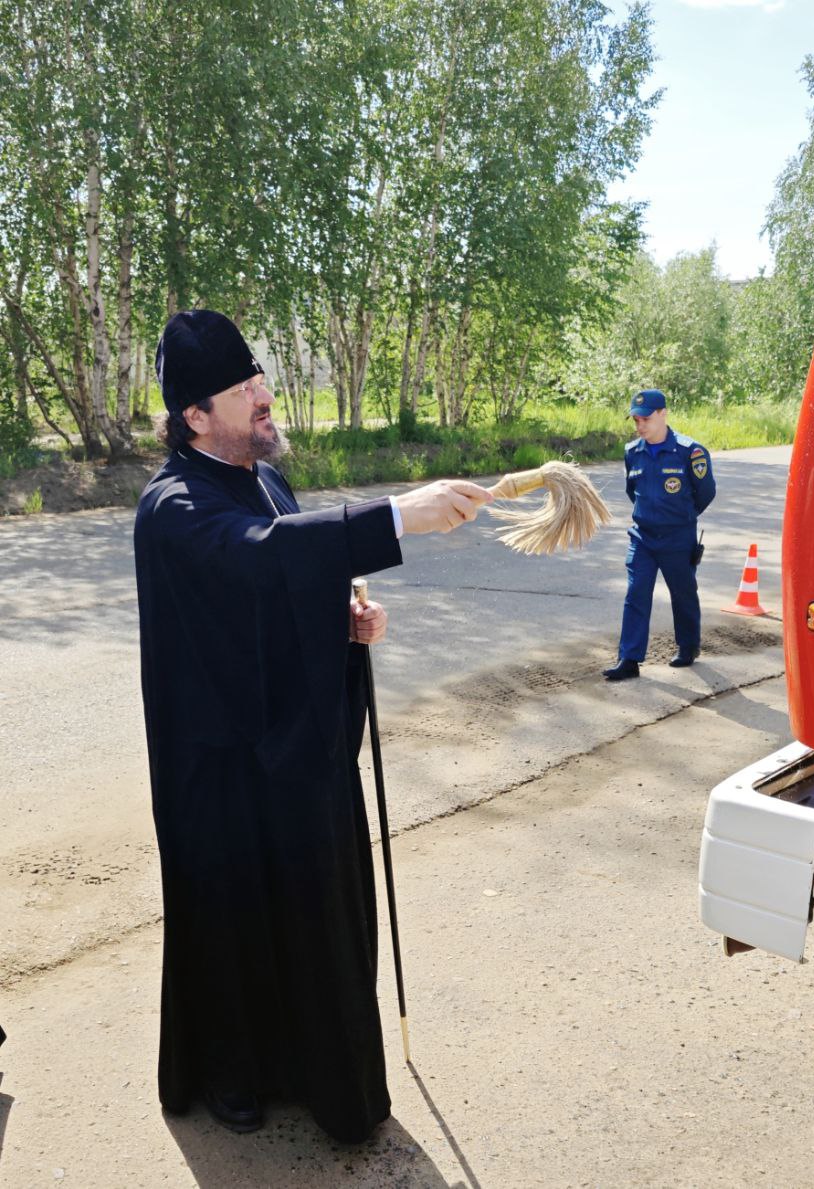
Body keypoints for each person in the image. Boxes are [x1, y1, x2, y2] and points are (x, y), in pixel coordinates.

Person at [134, 309, 492, 1143]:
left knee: (307, 911)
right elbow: (255, 555)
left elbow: (288, 578)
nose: (264, 392)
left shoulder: (268, 477)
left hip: (291, 750)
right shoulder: (172, 506)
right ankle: (231, 1070)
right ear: (194, 415)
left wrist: (345, 618)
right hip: (217, 767)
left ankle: (310, 1068)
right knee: (234, 921)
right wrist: (397, 516)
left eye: (258, 375)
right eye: (242, 386)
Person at [603, 389, 716, 681]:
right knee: (636, 593)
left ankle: (688, 646)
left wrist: (680, 518)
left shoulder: (690, 452)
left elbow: (705, 493)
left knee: (683, 593)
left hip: (677, 537)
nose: (640, 425)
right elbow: (634, 493)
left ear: (663, 413)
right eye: (636, 420)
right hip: (643, 537)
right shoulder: (632, 452)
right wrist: (651, 517)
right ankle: (629, 659)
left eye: (646, 418)